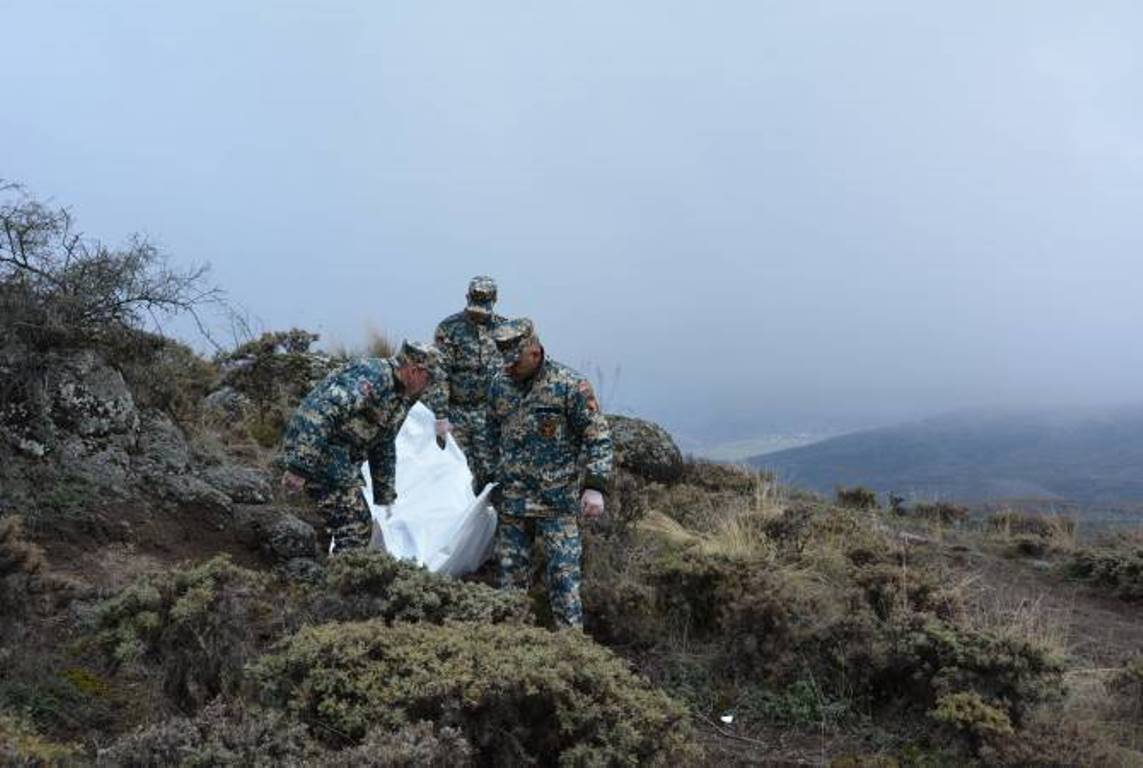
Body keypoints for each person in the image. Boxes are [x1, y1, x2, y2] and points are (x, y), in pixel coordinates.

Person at [486, 317, 613, 628]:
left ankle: (571, 654)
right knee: (509, 585)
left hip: (557, 503)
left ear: (533, 351)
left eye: (514, 360)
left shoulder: (569, 385)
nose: (508, 367)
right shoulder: (499, 385)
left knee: (563, 583)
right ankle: (510, 649)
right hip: (513, 503)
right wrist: (485, 478)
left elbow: (598, 436)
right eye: (503, 360)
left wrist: (595, 486)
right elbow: (489, 433)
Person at [279, 340, 438, 553]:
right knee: (355, 526)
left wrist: (385, 496)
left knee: (357, 525)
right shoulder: (373, 376)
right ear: (414, 371)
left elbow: (384, 444)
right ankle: (342, 582)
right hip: (319, 450)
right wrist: (300, 466)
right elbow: (323, 412)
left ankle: (341, 578)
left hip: (340, 459)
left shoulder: (400, 398)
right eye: (428, 378)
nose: (428, 386)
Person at [424, 275, 506, 490]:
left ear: (495, 300)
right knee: (458, 474)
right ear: (467, 297)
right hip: (456, 414)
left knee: (492, 474)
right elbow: (439, 373)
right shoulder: (449, 328)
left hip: (490, 416)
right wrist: (440, 415)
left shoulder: (505, 330)